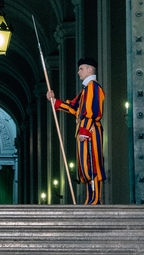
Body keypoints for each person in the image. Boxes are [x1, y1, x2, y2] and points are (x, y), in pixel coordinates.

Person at [47, 56, 106, 205]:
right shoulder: (85, 90)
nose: (78, 72)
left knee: (92, 164)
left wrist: (84, 131)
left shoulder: (93, 87)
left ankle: (95, 199)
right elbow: (74, 107)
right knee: (85, 166)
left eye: (81, 69)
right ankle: (90, 198)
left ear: (89, 70)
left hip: (90, 131)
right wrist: (54, 100)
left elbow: (91, 111)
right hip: (85, 132)